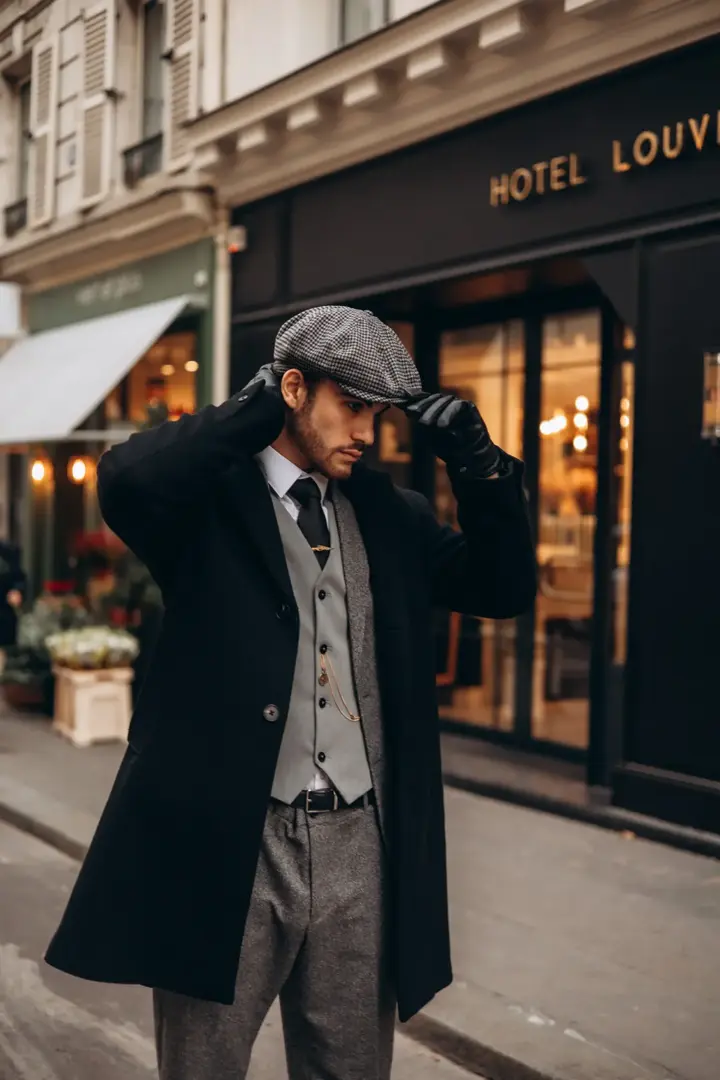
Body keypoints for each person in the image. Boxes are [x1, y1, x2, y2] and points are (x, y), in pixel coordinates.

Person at [45, 306, 536, 1080]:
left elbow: (502, 589)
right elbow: (127, 478)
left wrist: (482, 473)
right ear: (297, 390)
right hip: (231, 843)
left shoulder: (388, 515)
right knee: (203, 1067)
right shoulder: (202, 506)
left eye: (378, 414)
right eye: (353, 407)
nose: (367, 433)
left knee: (350, 1069)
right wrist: (258, 406)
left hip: (359, 847)